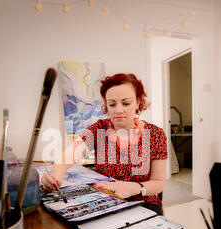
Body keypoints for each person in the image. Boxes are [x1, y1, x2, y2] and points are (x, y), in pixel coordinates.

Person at [41, 73, 168, 214]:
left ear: (138, 102)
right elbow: (67, 157)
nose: (118, 110)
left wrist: (132, 188)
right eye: (112, 104)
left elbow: (158, 182)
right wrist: (55, 177)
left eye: (126, 103)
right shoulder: (99, 129)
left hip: (144, 203)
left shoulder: (156, 134)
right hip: (106, 200)